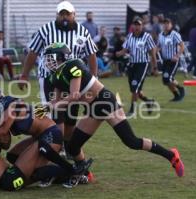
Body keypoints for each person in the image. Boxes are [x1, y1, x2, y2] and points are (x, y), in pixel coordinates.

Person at [36, 43, 184, 184]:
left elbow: (74, 95)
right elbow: (56, 102)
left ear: (61, 57)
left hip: (105, 102)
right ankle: (85, 173)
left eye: (50, 58)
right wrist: (42, 109)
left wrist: (49, 107)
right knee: (73, 147)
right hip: (92, 109)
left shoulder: (73, 65)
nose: (48, 62)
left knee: (130, 140)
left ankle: (171, 155)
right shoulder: (54, 77)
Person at [18, 1, 98, 145]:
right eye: (62, 14)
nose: (65, 17)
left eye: (68, 14)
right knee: (53, 114)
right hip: (49, 77)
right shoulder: (46, 30)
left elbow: (91, 55)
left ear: (74, 15)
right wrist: (24, 75)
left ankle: (66, 147)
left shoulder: (82, 31)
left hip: (73, 79)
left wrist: (94, 78)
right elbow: (33, 53)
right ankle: (53, 146)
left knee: (70, 117)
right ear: (57, 15)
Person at [116, 17, 157, 116]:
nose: (137, 26)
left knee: (135, 87)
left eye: (139, 24)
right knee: (135, 89)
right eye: (135, 24)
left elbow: (152, 52)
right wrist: (118, 53)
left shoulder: (147, 36)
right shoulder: (130, 36)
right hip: (132, 64)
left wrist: (154, 67)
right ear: (132, 26)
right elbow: (125, 49)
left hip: (142, 65)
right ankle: (149, 101)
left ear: (142, 26)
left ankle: (132, 110)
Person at [157, 18, 185, 101]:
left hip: (173, 60)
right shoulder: (160, 35)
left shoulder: (174, 34)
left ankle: (180, 89)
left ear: (171, 25)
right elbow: (158, 46)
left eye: (168, 23)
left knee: (168, 78)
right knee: (166, 81)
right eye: (164, 23)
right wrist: (154, 51)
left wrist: (177, 56)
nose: (166, 25)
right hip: (165, 60)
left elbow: (182, 45)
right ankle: (176, 94)